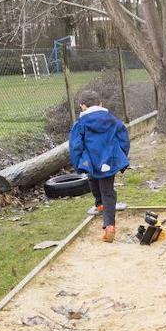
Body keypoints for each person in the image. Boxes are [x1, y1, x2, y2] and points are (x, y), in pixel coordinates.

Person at [68, 89, 129, 242]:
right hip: (109, 161)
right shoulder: (113, 120)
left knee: (92, 180)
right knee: (107, 191)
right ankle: (108, 222)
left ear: (82, 106)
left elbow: (75, 146)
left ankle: (102, 210)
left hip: (91, 162)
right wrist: (121, 156)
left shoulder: (80, 124)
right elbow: (124, 139)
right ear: (100, 104)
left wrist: (78, 164)